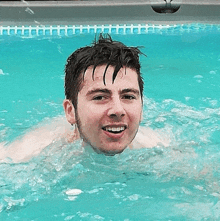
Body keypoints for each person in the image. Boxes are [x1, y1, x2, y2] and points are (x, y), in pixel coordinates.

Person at [0, 34, 169, 163]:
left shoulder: (158, 148)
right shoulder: (27, 154)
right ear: (70, 111)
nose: (118, 110)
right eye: (100, 97)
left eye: (128, 96)